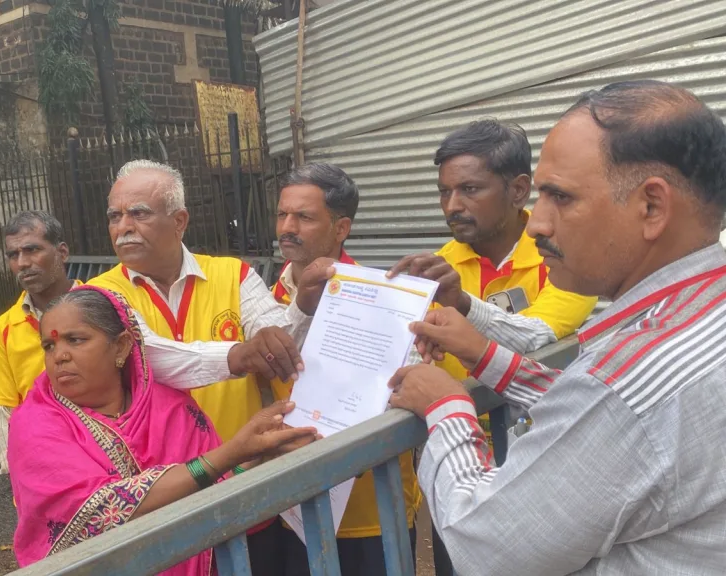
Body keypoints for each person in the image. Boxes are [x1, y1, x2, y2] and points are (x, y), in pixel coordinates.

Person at [389, 80, 726, 575]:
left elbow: (485, 546)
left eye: (560, 198)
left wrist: (447, 408)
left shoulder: (626, 385)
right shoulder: (697, 317)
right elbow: (595, 417)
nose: (536, 225)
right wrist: (489, 359)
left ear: (652, 207)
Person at [87, 159, 326, 571]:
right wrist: (240, 354)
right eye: (114, 215)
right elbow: (154, 358)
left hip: (249, 487)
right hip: (163, 505)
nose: (123, 225)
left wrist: (301, 307)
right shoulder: (99, 296)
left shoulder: (232, 274)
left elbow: (278, 339)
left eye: (138, 213)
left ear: (179, 221)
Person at [387, 120, 598, 574]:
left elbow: (540, 335)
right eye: (444, 192)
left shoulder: (565, 255)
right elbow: (415, 352)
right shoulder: (443, 262)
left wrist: (463, 305)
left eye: (469, 189)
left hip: (542, 461)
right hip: (458, 461)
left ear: (519, 189)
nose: (452, 206)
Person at [8, 286, 319, 573]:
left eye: (75, 340)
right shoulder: (34, 424)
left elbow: (215, 492)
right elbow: (97, 511)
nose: (59, 355)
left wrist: (260, 456)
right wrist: (230, 453)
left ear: (121, 346)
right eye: (49, 345)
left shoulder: (171, 407)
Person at [0, 210, 307, 474]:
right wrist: (39, 470)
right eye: (13, 255)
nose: (23, 263)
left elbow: (157, 362)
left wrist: (240, 459)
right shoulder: (4, 332)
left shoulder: (110, 306)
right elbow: (7, 436)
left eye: (32, 250)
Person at [270, 163, 419, 575]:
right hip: (291, 501)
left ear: (342, 228)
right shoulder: (264, 299)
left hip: (371, 508)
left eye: (304, 216)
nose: (287, 226)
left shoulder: (388, 299)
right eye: (283, 214)